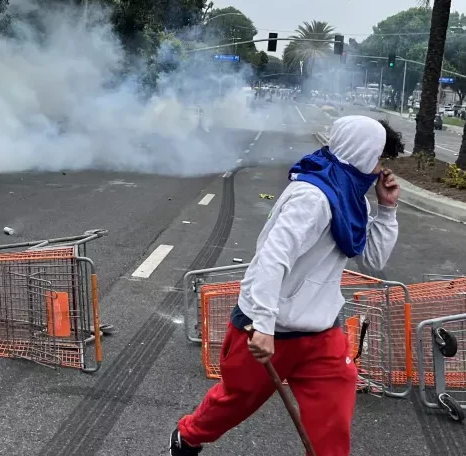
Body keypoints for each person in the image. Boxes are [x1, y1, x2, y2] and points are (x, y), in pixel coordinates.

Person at [171, 116, 404, 456]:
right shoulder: (312, 197)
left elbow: (373, 260)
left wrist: (387, 209)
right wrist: (264, 324)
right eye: (379, 157)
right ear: (362, 153)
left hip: (322, 334)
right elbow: (272, 257)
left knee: (331, 427)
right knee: (235, 401)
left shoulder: (352, 199)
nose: (380, 168)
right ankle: (188, 436)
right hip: (269, 328)